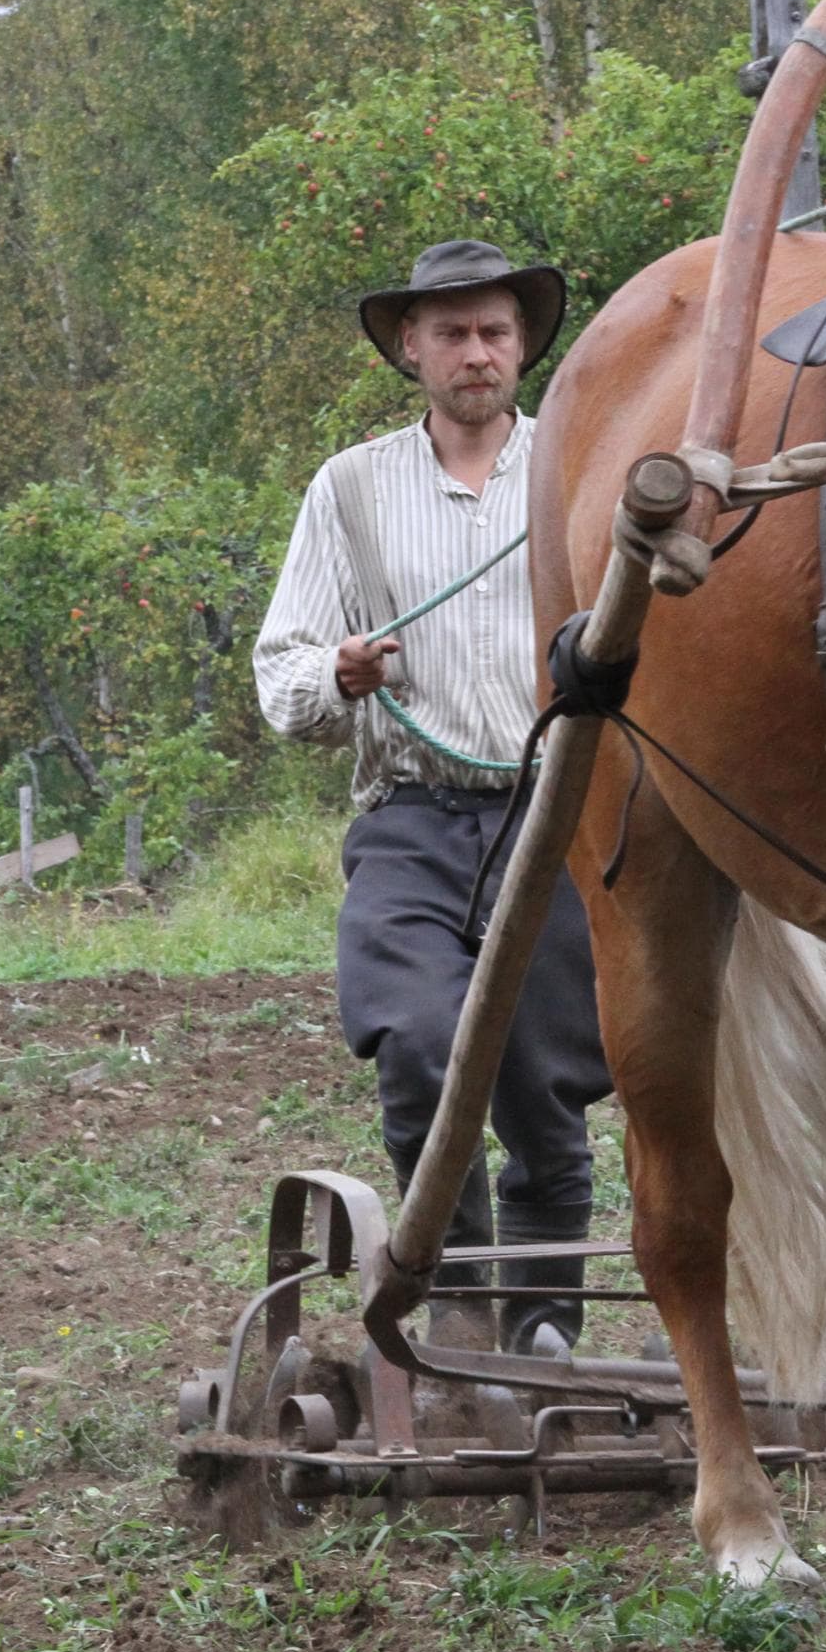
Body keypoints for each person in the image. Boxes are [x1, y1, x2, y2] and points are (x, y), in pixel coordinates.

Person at [253, 239, 610, 1358]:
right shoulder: (350, 488)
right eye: (451, 332)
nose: (475, 352)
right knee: (416, 1039)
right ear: (409, 346)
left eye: (495, 331)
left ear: (524, 346)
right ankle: (456, 1306)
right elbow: (282, 673)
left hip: (555, 811)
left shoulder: (583, 467)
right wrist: (340, 674)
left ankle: (545, 1322)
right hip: (410, 811)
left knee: (546, 1077)